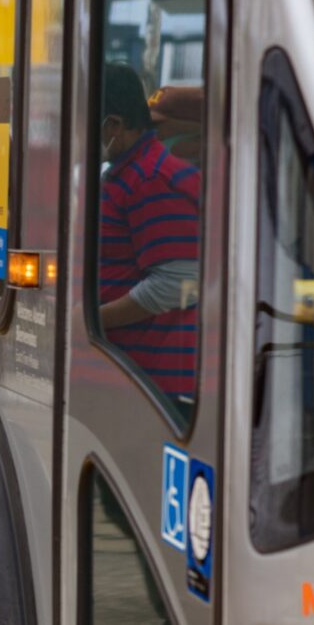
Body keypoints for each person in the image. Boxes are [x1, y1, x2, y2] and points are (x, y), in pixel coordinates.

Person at [97, 63, 202, 407]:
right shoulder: (128, 172)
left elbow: (175, 284)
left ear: (114, 124)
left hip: (155, 388)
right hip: (131, 372)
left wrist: (90, 320)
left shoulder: (151, 177)